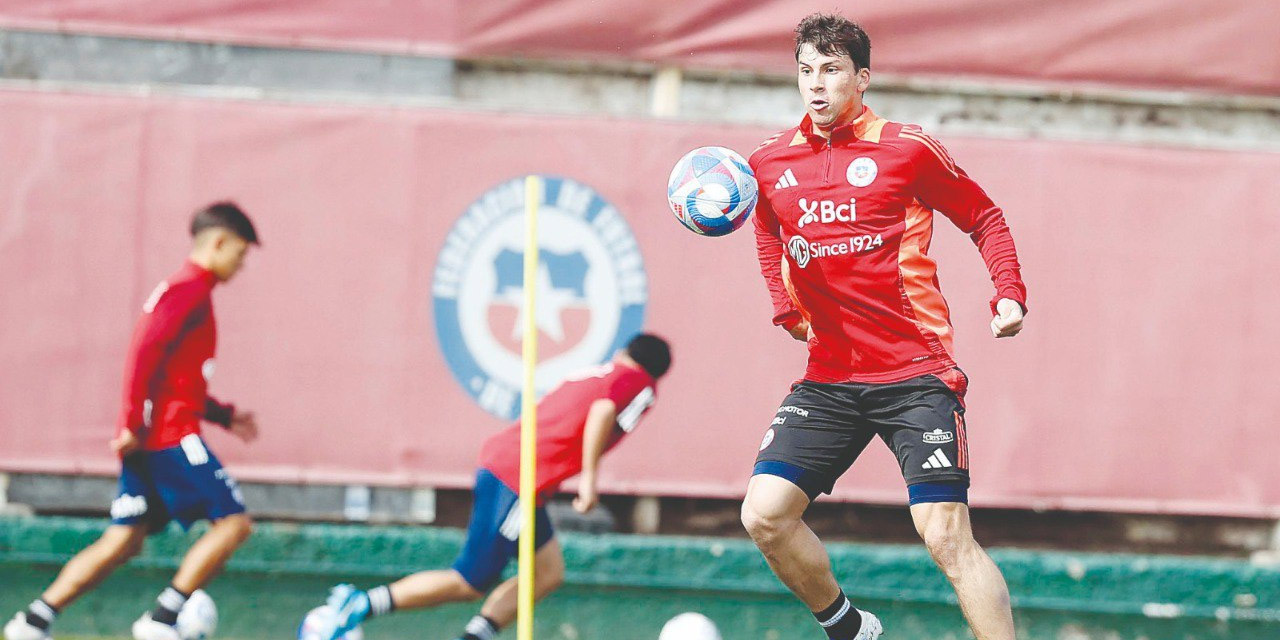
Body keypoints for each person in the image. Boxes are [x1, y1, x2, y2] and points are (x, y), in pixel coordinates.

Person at [741, 13, 1027, 640]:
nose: (816, 85)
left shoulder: (906, 150)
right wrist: (783, 305)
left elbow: (984, 217)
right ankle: (849, 627)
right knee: (764, 515)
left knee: (945, 535)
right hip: (831, 378)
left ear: (862, 78)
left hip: (916, 373)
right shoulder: (767, 162)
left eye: (832, 70)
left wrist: (1008, 292)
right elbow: (768, 228)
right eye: (806, 70)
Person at [4, 203, 262, 640]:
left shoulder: (184, 291)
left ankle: (32, 622)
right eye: (240, 252)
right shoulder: (190, 290)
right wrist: (129, 423)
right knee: (234, 524)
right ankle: (162, 620)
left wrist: (222, 414)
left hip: (152, 436)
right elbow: (145, 350)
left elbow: (177, 376)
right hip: (169, 436)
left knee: (124, 539)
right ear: (218, 242)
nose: (241, 264)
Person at [314, 334, 672, 640]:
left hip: (517, 471)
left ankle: (473, 636)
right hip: (518, 477)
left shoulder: (600, 372)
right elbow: (603, 412)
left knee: (547, 573)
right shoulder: (640, 384)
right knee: (470, 580)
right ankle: (360, 604)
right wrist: (590, 482)